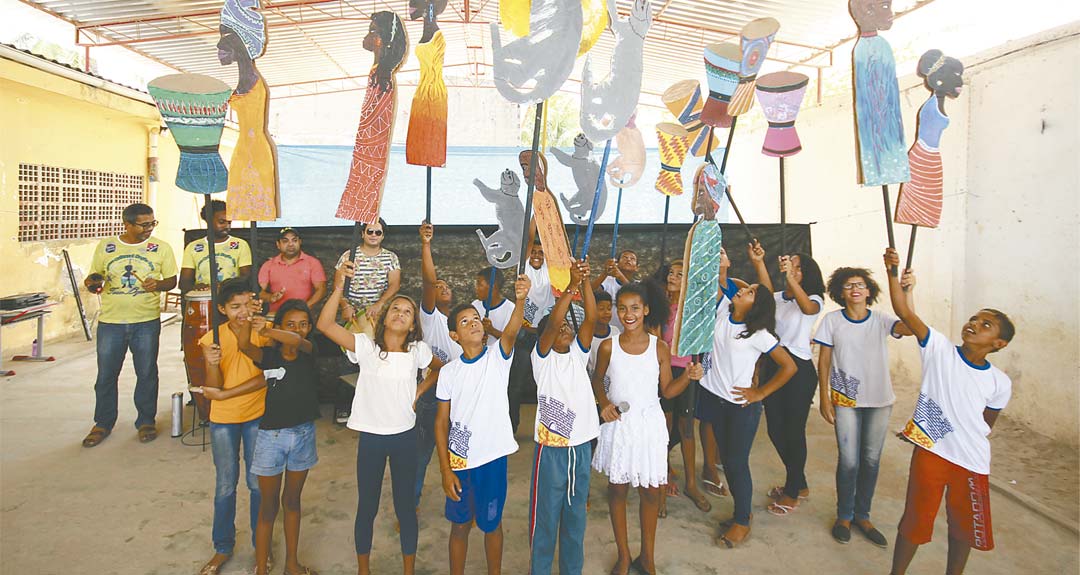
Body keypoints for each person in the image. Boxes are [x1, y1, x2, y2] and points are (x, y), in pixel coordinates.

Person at [883, 248, 1014, 575]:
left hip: (971, 460)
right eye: (974, 318)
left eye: (986, 325)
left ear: (998, 345)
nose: (974, 324)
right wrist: (892, 272)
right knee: (915, 519)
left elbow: (987, 422)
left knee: (963, 529)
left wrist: (959, 433)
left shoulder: (1000, 382)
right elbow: (903, 310)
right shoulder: (938, 349)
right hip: (932, 452)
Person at [318, 261, 438, 575]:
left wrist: (419, 391)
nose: (400, 312)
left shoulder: (418, 352)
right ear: (384, 318)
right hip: (371, 437)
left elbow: (438, 368)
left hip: (404, 437)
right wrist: (338, 287)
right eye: (395, 308)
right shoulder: (366, 347)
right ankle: (364, 570)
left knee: (405, 508)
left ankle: (408, 570)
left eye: (408, 312)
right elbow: (325, 325)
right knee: (367, 506)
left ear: (413, 325)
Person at [591, 281, 702, 575]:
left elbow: (667, 390)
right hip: (619, 425)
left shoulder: (660, 347)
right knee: (617, 491)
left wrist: (689, 377)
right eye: (623, 308)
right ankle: (624, 555)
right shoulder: (608, 346)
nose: (629, 314)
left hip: (650, 426)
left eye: (635, 308)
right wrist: (603, 402)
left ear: (647, 310)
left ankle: (647, 557)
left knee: (652, 493)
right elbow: (597, 379)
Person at [696, 255, 797, 549]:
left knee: (737, 463)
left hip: (741, 407)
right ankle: (742, 513)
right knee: (726, 458)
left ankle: (743, 519)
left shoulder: (759, 335)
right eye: (746, 288)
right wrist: (721, 259)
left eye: (751, 291)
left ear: (757, 305)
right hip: (715, 398)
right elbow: (714, 281)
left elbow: (789, 367)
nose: (743, 290)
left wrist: (760, 393)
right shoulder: (721, 312)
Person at [435, 273, 531, 575]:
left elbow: (513, 330)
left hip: (492, 460)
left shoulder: (497, 357)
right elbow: (441, 423)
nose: (473, 323)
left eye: (475, 318)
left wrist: (521, 299)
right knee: (460, 525)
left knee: (492, 524)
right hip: (461, 461)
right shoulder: (449, 373)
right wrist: (445, 468)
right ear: (454, 336)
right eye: (464, 322)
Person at [814, 266, 915, 545]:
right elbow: (824, 361)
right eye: (848, 286)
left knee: (871, 460)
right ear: (840, 292)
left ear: (869, 291)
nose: (854, 289)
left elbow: (909, 326)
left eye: (859, 285)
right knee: (848, 460)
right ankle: (844, 515)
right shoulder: (832, 321)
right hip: (845, 397)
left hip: (880, 400)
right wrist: (824, 397)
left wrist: (907, 292)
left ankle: (863, 515)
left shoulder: (881, 319)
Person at [82, 203, 177, 447]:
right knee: (105, 375)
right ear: (127, 224)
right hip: (111, 323)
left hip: (146, 321)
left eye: (152, 223)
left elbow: (172, 281)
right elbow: (95, 278)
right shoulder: (107, 246)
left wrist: (157, 284)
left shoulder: (161, 248)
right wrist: (93, 283)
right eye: (144, 224)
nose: (149, 228)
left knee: (146, 373)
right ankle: (103, 422)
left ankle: (146, 421)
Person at [194, 278, 270, 575]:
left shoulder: (262, 333)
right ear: (223, 309)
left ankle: (260, 547)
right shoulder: (211, 338)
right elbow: (213, 388)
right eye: (234, 307)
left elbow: (266, 375)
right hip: (223, 420)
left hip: (257, 414)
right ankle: (222, 547)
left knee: (256, 484)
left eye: (246, 305)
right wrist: (211, 363)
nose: (241, 312)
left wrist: (226, 394)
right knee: (225, 485)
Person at [239, 300, 320, 575]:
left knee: (293, 502)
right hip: (270, 438)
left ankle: (291, 565)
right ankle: (261, 568)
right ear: (281, 325)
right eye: (291, 323)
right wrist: (249, 321)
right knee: (268, 506)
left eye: (304, 324)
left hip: (304, 434)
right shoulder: (269, 356)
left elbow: (297, 341)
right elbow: (244, 346)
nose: (299, 330)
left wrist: (270, 328)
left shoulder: (310, 350)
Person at [528, 259, 597, 575]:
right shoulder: (542, 359)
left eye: (569, 326)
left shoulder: (580, 355)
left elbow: (591, 319)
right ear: (547, 336)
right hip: (551, 450)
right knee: (545, 520)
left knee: (575, 521)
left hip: (581, 447)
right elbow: (553, 323)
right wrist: (570, 287)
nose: (566, 328)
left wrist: (584, 281)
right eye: (559, 328)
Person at [752, 243, 826, 515]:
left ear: (805, 273)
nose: (790, 268)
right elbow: (766, 295)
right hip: (774, 364)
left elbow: (807, 308)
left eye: (796, 266)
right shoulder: (782, 297)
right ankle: (799, 482)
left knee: (794, 431)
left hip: (799, 370)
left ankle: (793, 491)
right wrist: (760, 262)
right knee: (774, 429)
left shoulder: (815, 299)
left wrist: (792, 281)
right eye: (789, 264)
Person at [334, 218, 400, 423]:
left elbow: (394, 285)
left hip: (378, 315)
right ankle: (344, 407)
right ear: (362, 233)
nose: (373, 235)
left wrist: (380, 305)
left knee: (380, 361)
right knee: (348, 362)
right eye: (369, 231)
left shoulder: (391, 257)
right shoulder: (349, 255)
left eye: (378, 232)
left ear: (383, 235)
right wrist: (345, 306)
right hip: (352, 315)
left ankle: (379, 407)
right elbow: (338, 283)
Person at [658, 259, 711, 514]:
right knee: (664, 426)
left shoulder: (694, 308)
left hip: (687, 370)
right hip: (665, 370)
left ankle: (691, 483)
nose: (672, 276)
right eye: (671, 273)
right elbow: (656, 340)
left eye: (680, 274)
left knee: (686, 428)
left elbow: (702, 341)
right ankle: (662, 478)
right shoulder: (660, 307)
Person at [416, 222, 463, 507]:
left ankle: (460, 498)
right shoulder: (430, 319)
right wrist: (425, 244)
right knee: (421, 454)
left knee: (459, 451)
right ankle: (412, 502)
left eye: (446, 287)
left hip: (458, 396)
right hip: (431, 397)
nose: (441, 287)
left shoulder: (462, 326)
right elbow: (428, 280)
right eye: (438, 286)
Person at [699, 247, 733, 498]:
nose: (716, 256)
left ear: (729, 261)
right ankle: (708, 468)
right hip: (709, 356)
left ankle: (720, 457)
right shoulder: (701, 287)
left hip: (733, 359)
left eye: (720, 253)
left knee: (729, 413)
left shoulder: (738, 287)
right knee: (708, 414)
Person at [180, 199, 252, 293]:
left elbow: (246, 278)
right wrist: (196, 287)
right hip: (204, 300)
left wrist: (225, 286)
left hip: (231, 299)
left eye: (229, 222)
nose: (227, 226)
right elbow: (184, 283)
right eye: (222, 222)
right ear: (208, 221)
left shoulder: (240, 245)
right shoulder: (192, 247)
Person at [257, 228, 326, 313]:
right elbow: (259, 292)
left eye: (294, 240)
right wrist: (271, 297)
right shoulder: (268, 265)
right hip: (275, 316)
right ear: (278, 245)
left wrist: (306, 307)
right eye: (285, 241)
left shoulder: (313, 263)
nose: (290, 244)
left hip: (304, 316)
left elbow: (321, 289)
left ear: (300, 242)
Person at [591, 249, 639, 331]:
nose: (628, 260)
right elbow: (591, 291)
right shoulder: (608, 280)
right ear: (617, 263)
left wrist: (620, 276)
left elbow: (636, 295)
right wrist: (605, 273)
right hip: (609, 331)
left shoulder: (639, 285)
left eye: (632, 259)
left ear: (637, 268)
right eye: (625, 257)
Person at [473, 266, 514, 348]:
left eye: (479, 284)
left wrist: (492, 330)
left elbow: (511, 341)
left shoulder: (510, 309)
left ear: (493, 287)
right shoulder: (475, 305)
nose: (476, 288)